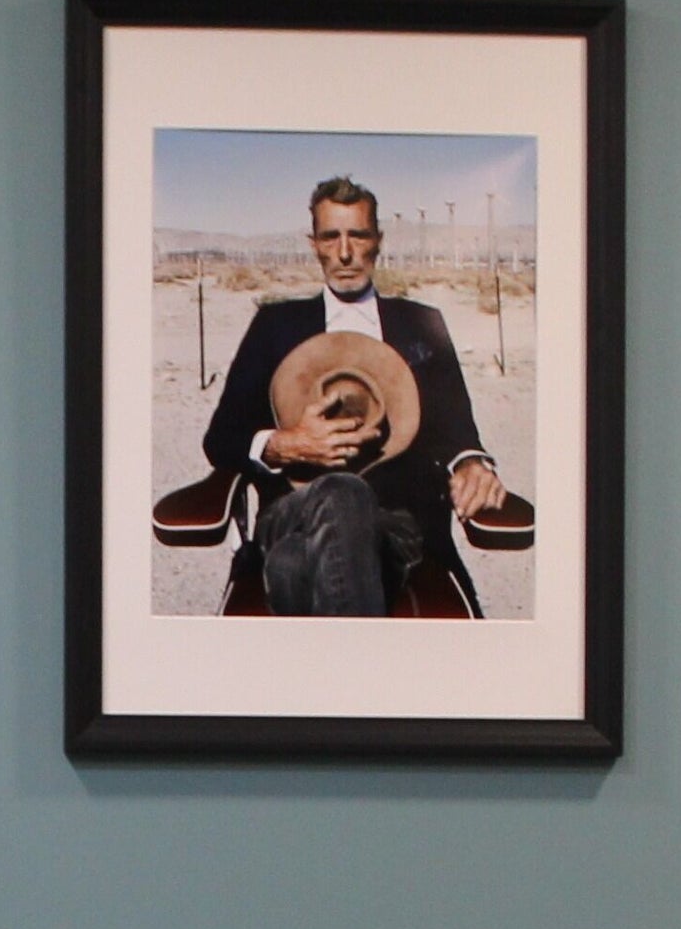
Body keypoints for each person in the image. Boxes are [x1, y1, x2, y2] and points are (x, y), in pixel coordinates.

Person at [198, 178, 509, 615]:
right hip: (291, 514)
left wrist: (471, 463)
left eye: (358, 236)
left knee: (294, 559)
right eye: (331, 237)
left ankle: (291, 572)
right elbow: (222, 438)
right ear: (314, 244)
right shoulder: (274, 325)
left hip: (395, 529)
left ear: (378, 240)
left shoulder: (421, 324)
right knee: (340, 492)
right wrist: (286, 444)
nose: (345, 253)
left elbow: (457, 431)